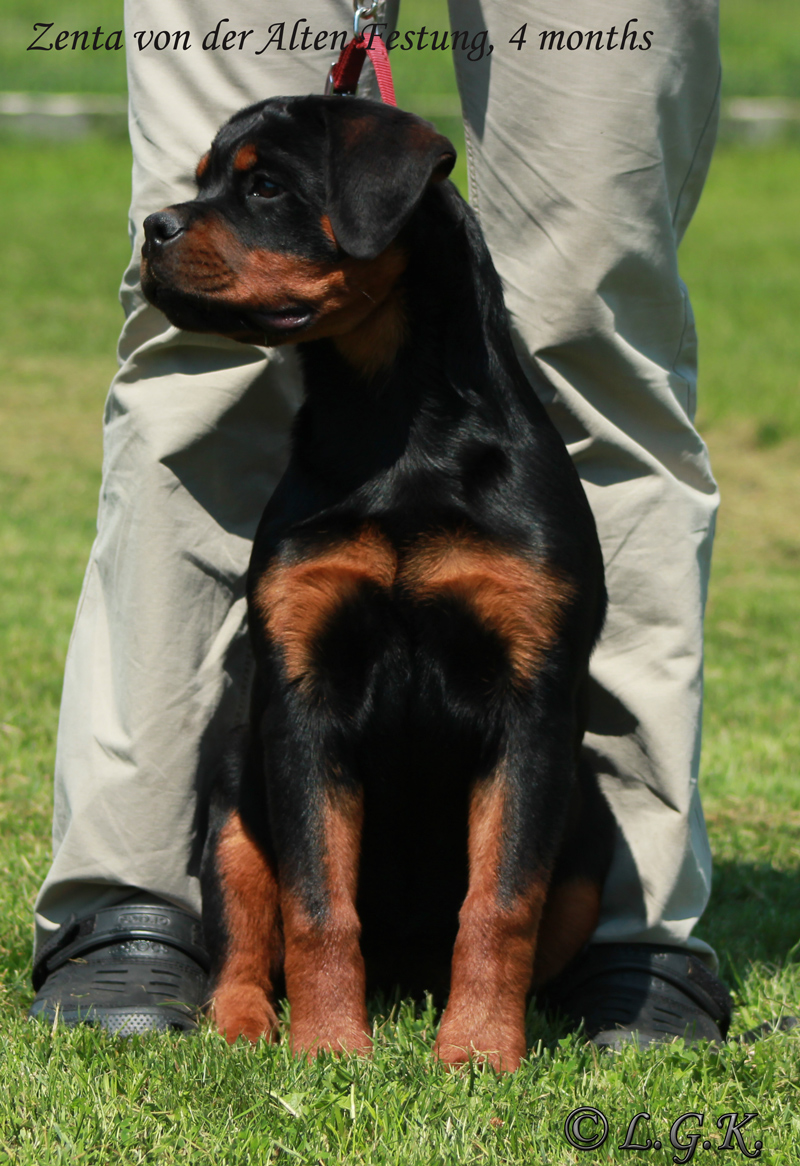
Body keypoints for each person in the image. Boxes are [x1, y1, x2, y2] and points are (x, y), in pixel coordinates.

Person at [29, 0, 732, 1047]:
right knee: (191, 386)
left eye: (258, 192)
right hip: (329, 560)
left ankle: (623, 941)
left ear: (378, 205)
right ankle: (142, 908)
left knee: (601, 325)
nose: (191, 221)